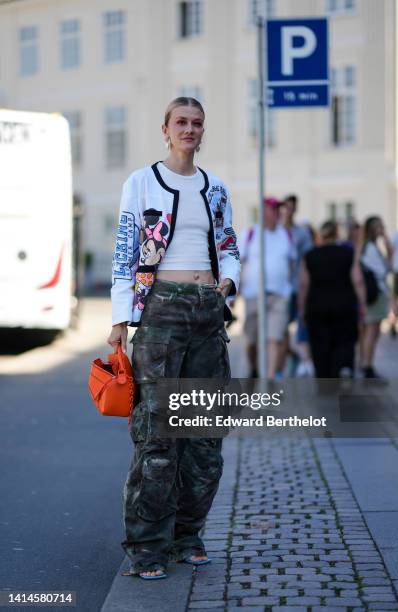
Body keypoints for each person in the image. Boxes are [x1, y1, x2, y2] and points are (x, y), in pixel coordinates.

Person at [107, 97, 240, 579]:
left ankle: (188, 535)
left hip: (208, 313)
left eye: (196, 123)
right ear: (165, 129)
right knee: (158, 438)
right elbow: (125, 251)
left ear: (203, 131)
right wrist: (121, 320)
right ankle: (147, 547)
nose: (189, 129)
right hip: (160, 313)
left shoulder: (216, 187)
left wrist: (228, 282)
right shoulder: (141, 183)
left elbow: (228, 242)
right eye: (181, 122)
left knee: (204, 437)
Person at [298, 220, 365, 378]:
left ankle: (324, 381)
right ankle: (343, 368)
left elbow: (303, 285)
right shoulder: (348, 253)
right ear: (337, 234)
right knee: (344, 340)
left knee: (320, 345)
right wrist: (362, 304)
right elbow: (358, 280)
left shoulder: (310, 256)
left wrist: (301, 308)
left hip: (317, 307)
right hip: (344, 306)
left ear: (321, 235)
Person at [239, 197, 295, 379]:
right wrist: (235, 292)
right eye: (273, 209)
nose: (277, 213)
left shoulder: (285, 234)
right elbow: (239, 262)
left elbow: (292, 262)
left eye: (278, 209)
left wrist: (290, 287)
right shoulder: (250, 234)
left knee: (274, 337)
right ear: (263, 212)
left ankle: (270, 378)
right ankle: (254, 369)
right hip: (254, 295)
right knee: (253, 341)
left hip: (279, 294)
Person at [280, 194, 314, 377]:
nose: (289, 211)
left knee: (302, 322)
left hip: (298, 286)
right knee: (281, 327)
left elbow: (308, 259)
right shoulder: (275, 231)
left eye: (292, 207)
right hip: (280, 288)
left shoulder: (301, 233)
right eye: (286, 207)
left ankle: (304, 358)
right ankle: (292, 353)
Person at [360, 216, 393, 378]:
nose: (382, 230)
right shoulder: (370, 248)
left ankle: (367, 363)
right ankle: (367, 365)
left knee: (373, 330)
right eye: (380, 227)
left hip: (377, 293)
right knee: (371, 330)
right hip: (375, 293)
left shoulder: (371, 246)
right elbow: (385, 269)